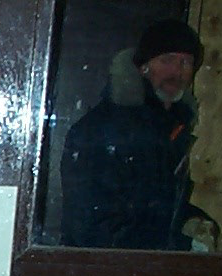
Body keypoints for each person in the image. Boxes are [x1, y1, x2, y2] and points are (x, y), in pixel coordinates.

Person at [61, 17, 214, 250]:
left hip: (144, 271)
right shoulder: (104, 131)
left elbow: (156, 208)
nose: (176, 71)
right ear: (143, 68)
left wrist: (194, 221)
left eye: (186, 62)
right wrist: (181, 245)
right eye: (167, 60)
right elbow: (93, 227)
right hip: (100, 273)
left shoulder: (172, 129)